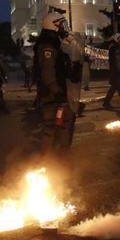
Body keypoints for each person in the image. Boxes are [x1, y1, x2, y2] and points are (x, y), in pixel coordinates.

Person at [32, 12, 74, 152]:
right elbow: (48, 72)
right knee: (52, 125)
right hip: (51, 93)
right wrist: (57, 91)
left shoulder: (53, 42)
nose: (64, 27)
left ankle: (59, 154)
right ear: (54, 25)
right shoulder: (48, 46)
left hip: (55, 91)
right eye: (61, 24)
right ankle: (51, 159)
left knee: (62, 122)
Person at [103, 33, 120, 112]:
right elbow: (118, 61)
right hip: (117, 72)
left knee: (114, 88)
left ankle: (106, 103)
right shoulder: (116, 49)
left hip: (115, 71)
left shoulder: (114, 48)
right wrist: (119, 71)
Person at [61, 33, 85, 117]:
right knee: (71, 93)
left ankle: (73, 109)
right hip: (71, 73)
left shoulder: (71, 44)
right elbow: (76, 57)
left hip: (72, 72)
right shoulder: (70, 45)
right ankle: (73, 110)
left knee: (72, 93)